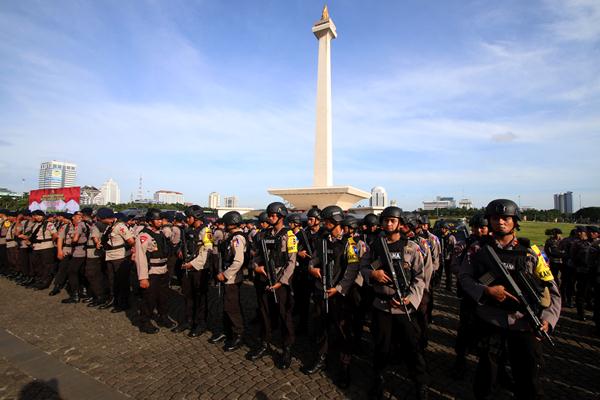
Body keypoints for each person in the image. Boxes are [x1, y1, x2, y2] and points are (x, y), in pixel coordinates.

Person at [458, 199, 560, 400]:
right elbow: (464, 278)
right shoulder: (477, 249)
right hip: (490, 321)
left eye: (506, 218)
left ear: (515, 221)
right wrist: (486, 290)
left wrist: (548, 319)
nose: (500, 222)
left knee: (528, 380)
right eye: (495, 218)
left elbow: (552, 291)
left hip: (524, 324)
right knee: (486, 377)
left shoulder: (532, 251)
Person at [360, 206, 429, 400]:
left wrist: (411, 299)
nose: (388, 224)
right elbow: (363, 266)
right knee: (381, 346)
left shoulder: (412, 247)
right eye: (385, 220)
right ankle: (378, 379)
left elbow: (420, 277)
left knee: (412, 347)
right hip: (381, 305)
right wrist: (373, 273)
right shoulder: (375, 246)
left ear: (400, 223)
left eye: (393, 220)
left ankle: (420, 383)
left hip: (404, 306)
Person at [303, 207, 366, 389]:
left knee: (343, 330)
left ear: (336, 221)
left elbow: (352, 269)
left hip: (340, 294)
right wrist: (311, 268)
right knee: (321, 325)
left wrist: (339, 288)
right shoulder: (322, 240)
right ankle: (321, 357)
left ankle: (344, 366)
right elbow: (314, 258)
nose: (324, 224)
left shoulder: (350, 243)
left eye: (327, 221)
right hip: (321, 290)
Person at [246, 202, 297, 370]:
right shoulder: (263, 234)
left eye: (274, 215)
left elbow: (291, 262)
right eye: (270, 215)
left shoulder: (289, 236)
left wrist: (281, 282)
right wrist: (256, 267)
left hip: (280, 282)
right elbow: (255, 256)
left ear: (281, 216)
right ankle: (264, 343)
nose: (270, 217)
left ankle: (287, 348)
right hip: (263, 279)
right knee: (264, 313)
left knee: (284, 316)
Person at [173, 206, 213, 337]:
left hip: (199, 269)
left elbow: (207, 251)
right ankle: (188, 321)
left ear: (196, 217)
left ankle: (200, 324)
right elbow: (183, 244)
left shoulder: (206, 231)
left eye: (189, 217)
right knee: (188, 296)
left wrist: (193, 264)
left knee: (200, 297)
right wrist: (179, 250)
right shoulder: (187, 230)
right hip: (187, 268)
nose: (186, 219)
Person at [134, 208, 175, 334]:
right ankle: (144, 322)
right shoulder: (144, 236)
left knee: (163, 297)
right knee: (149, 299)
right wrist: (143, 277)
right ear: (150, 220)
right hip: (151, 271)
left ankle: (163, 317)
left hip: (163, 270)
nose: (160, 222)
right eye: (157, 219)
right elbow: (140, 258)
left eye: (161, 219)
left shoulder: (161, 234)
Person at [214, 211, 247, 352]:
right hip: (228, 277)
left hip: (232, 278)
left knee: (232, 308)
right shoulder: (232, 237)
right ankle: (228, 332)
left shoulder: (237, 238)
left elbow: (239, 260)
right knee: (227, 306)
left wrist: (226, 275)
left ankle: (238, 334)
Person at [98, 207, 135, 313]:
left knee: (122, 281)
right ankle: (113, 300)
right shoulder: (109, 227)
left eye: (100, 218)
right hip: (110, 255)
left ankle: (124, 303)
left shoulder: (120, 226)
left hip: (120, 257)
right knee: (112, 280)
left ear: (105, 218)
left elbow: (131, 241)